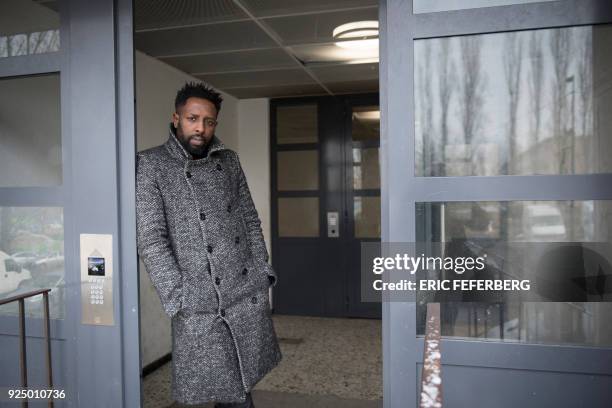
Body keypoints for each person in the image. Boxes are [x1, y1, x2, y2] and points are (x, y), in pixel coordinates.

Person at [135, 82, 282, 407]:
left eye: (209, 121)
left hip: (244, 292)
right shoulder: (151, 165)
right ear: (176, 118)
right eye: (192, 118)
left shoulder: (228, 160)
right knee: (229, 390)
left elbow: (249, 218)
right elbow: (151, 239)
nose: (201, 128)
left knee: (237, 387)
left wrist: (262, 271)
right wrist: (179, 297)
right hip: (200, 302)